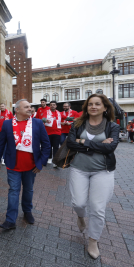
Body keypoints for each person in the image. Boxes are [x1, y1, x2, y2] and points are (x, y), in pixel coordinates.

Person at [67, 94, 120, 259]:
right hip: (79, 169)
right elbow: (70, 143)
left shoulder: (112, 126)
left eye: (98, 104)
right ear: (86, 107)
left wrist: (83, 142)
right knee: (78, 203)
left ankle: (93, 240)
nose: (94, 107)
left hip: (102, 171)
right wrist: (97, 146)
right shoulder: (78, 123)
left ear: (105, 107)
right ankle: (81, 217)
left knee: (97, 208)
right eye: (90, 104)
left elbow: (110, 147)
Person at [0, 99, 50, 230]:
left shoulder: (37, 123)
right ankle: (10, 220)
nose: (30, 109)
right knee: (13, 191)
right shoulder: (7, 124)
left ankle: (27, 211)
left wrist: (41, 163)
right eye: (26, 107)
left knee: (28, 190)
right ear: (17, 110)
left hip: (31, 166)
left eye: (30, 107)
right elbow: (1, 145)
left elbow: (47, 145)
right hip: (13, 165)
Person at [41, 101, 61, 167]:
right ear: (49, 106)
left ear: (56, 106)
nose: (52, 106)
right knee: (49, 146)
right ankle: (49, 158)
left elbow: (65, 117)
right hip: (48, 132)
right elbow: (43, 118)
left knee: (56, 147)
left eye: (54, 105)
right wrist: (45, 120)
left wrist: (75, 119)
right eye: (51, 105)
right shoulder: (46, 112)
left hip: (57, 132)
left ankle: (55, 161)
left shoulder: (59, 113)